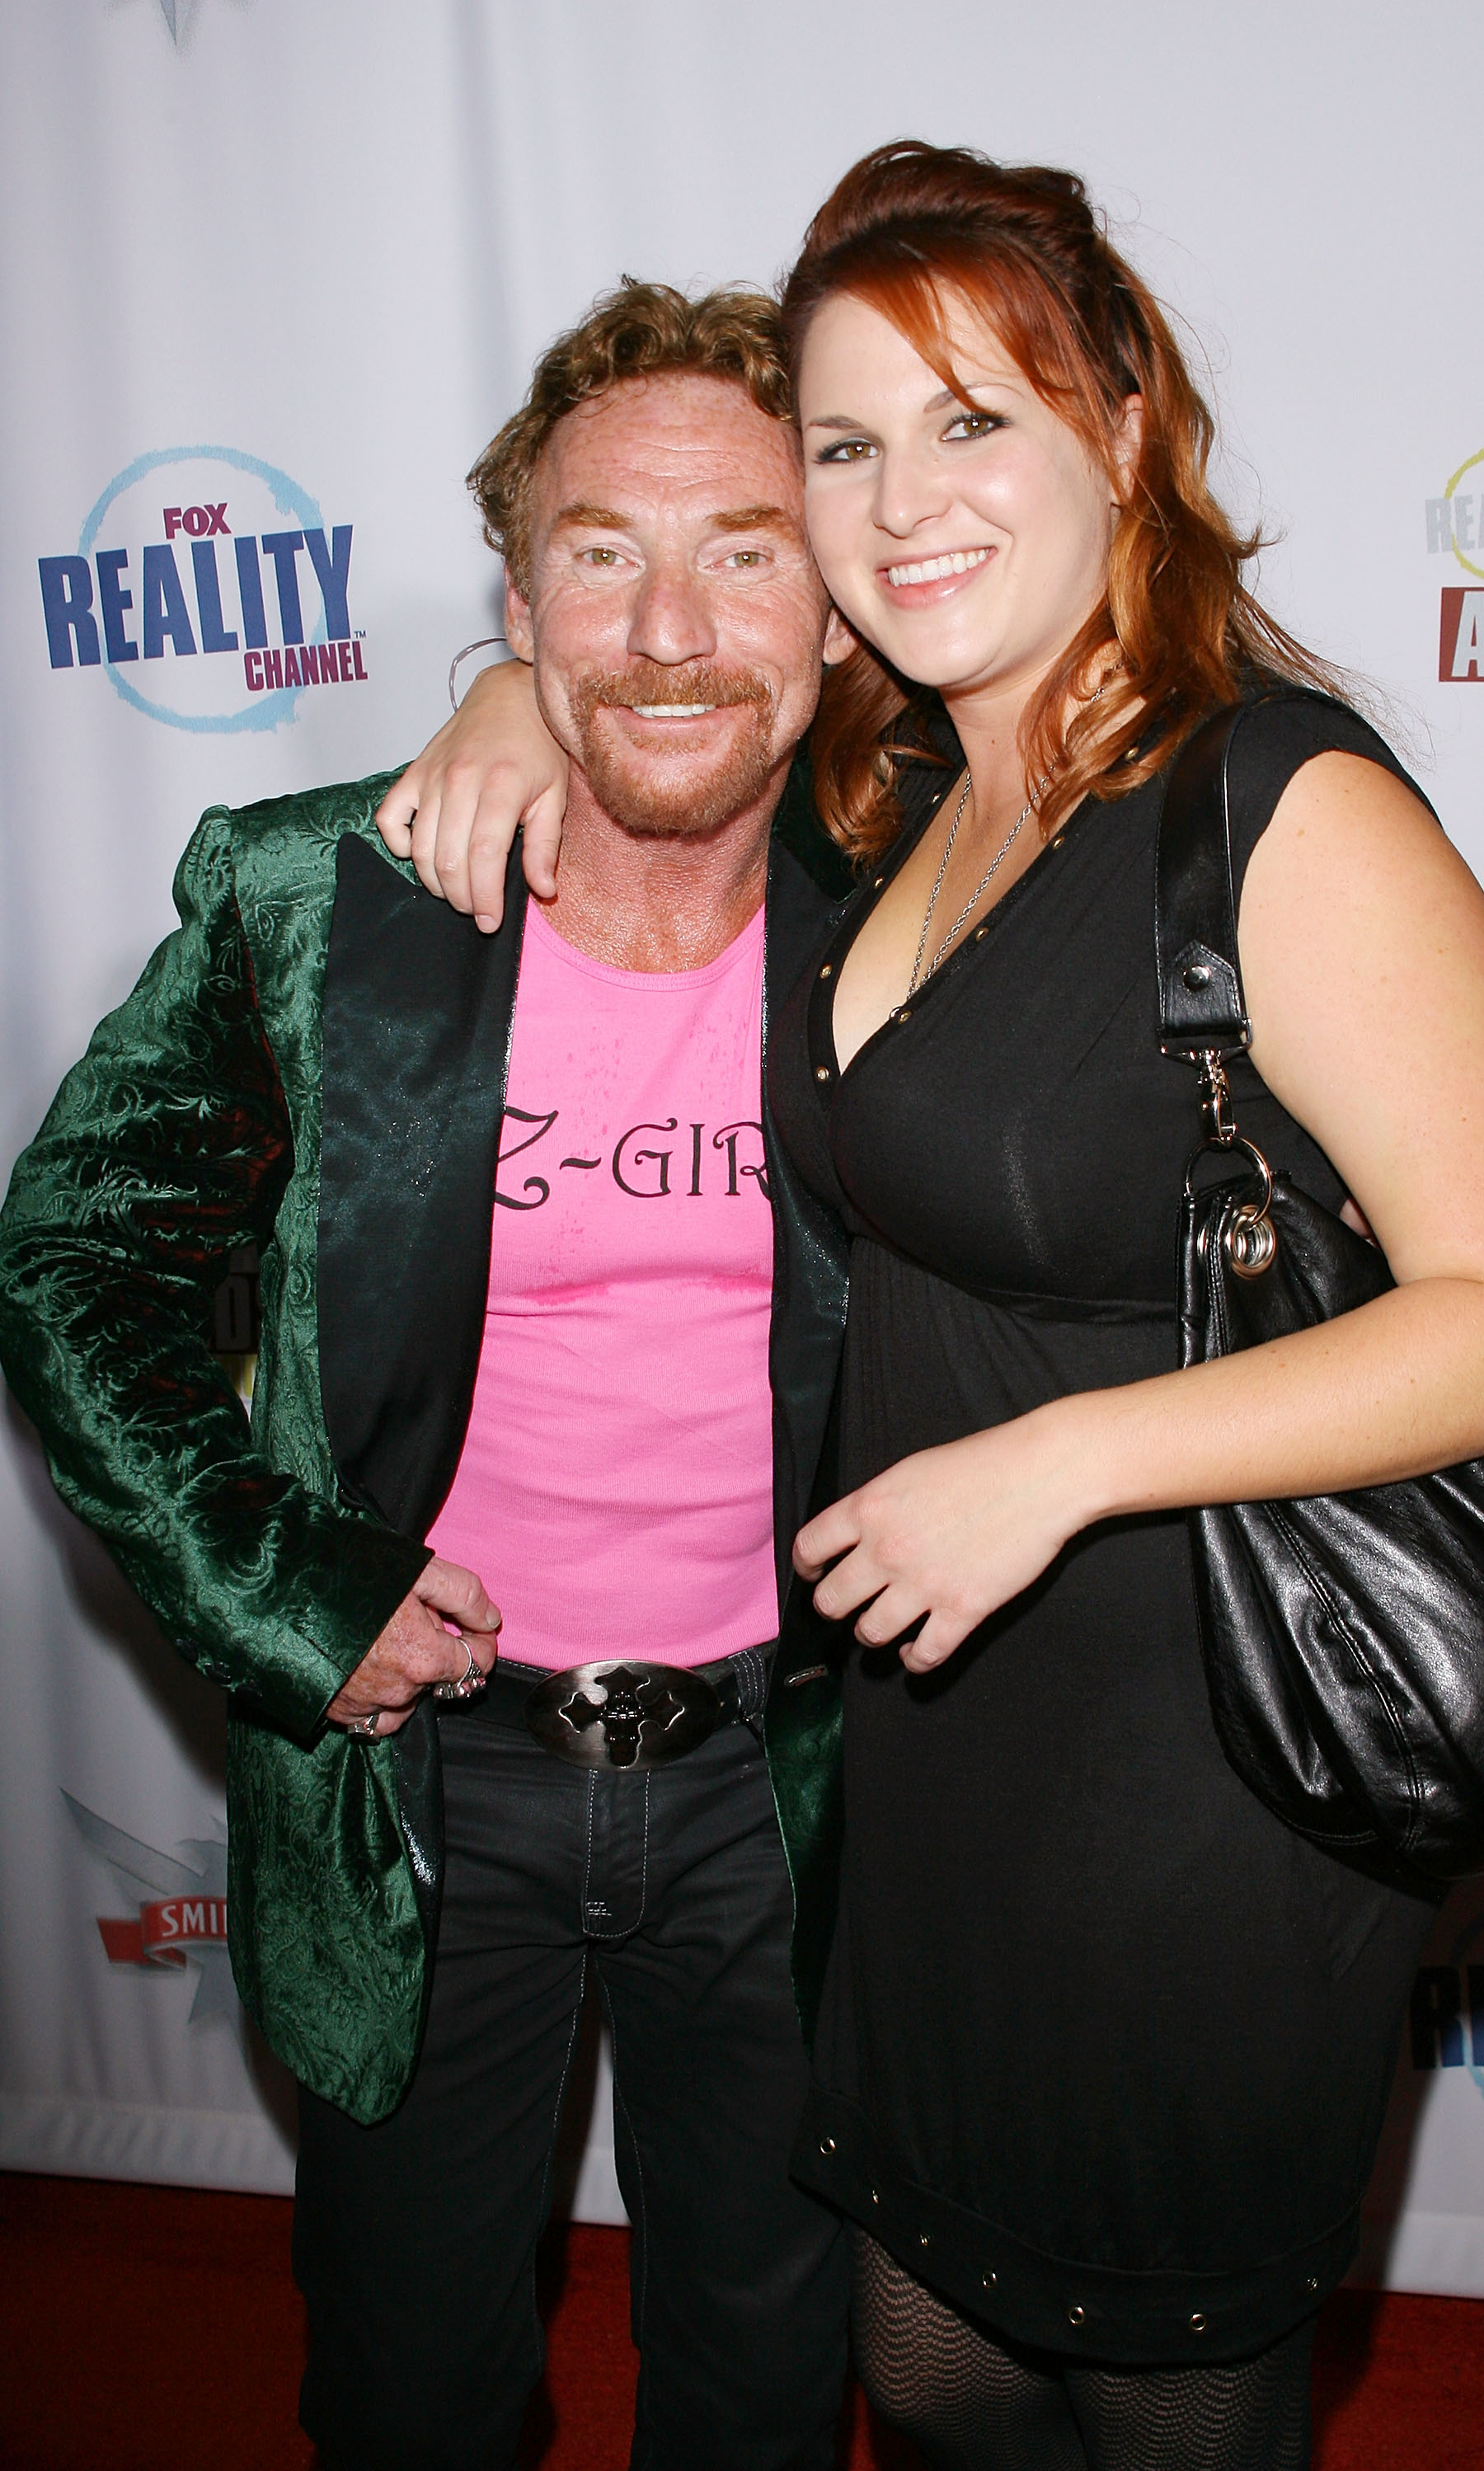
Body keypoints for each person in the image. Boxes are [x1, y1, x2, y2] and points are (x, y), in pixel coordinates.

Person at [389, 145, 1484, 2471]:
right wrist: (513, 704)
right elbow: (663, 679)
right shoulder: (920, 793)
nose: (899, 498)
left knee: (1164, 2385)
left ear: (1124, 428)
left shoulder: (1274, 804)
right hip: (942, 1762)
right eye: (844, 444)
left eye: (975, 419)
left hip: (1201, 1771)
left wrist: (1053, 1469)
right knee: (935, 2369)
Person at [0, 283, 864, 2471]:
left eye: (746, 548)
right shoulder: (322, 898)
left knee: (770, 2375)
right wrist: (287, 1588)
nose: (671, 626)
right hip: (420, 1789)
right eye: (601, 555)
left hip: (802, 1790)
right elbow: (73, 1254)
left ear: (843, 608)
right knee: (406, 2377)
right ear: (519, 594)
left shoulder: (933, 916)